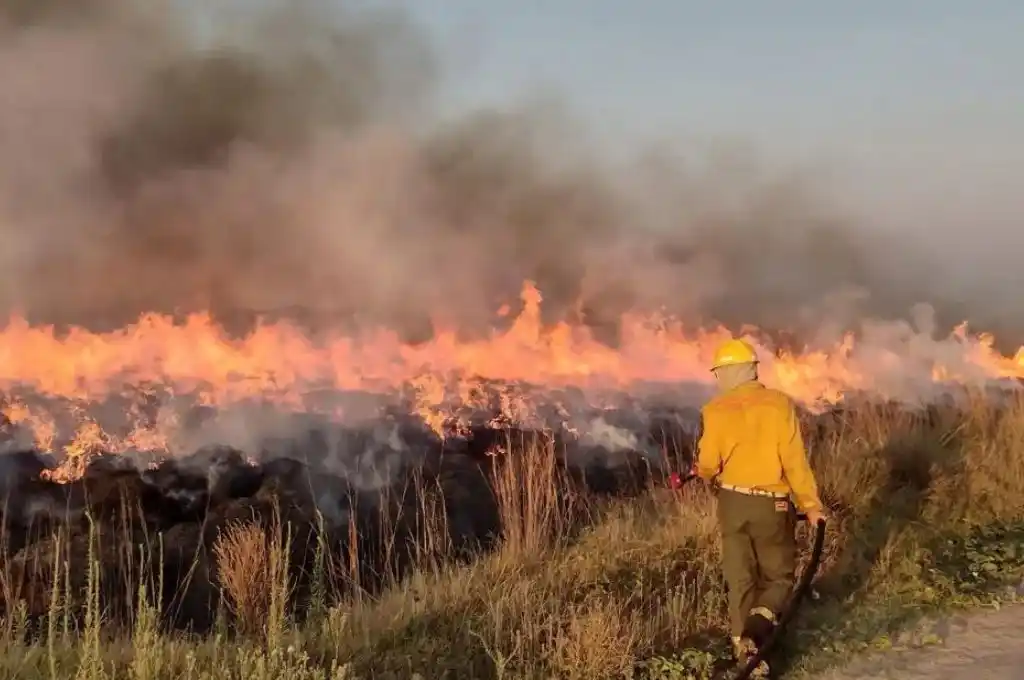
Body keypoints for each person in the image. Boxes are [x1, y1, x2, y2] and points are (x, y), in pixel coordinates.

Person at [693, 338, 827, 675]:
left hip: (732, 504)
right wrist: (810, 505)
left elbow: (708, 462)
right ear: (752, 369)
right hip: (772, 505)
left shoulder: (715, 409)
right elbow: (794, 461)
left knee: (740, 579)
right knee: (779, 577)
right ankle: (759, 628)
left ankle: (747, 657)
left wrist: (703, 471)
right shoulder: (778, 405)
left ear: (726, 373)